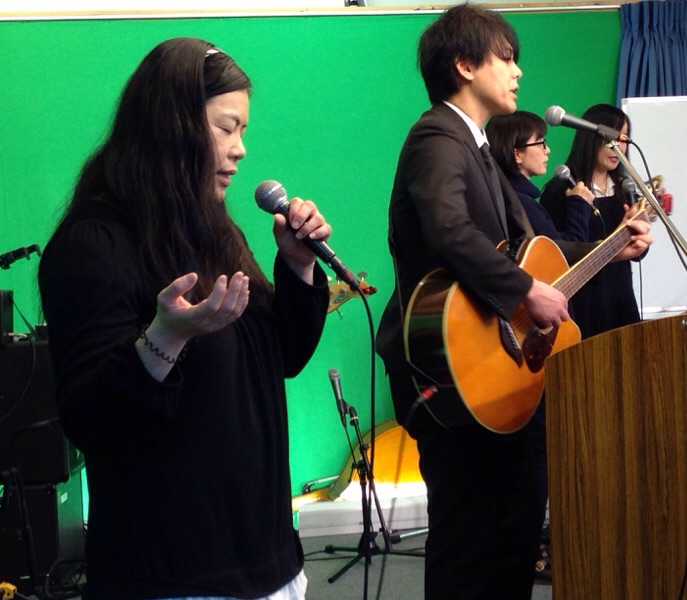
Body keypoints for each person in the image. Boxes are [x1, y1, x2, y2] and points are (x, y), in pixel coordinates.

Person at [375, 5, 652, 599]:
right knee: (469, 541)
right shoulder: (436, 136)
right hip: (453, 368)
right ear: (464, 64)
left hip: (498, 373)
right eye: (506, 58)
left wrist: (612, 247)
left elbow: (534, 250)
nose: (518, 71)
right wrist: (525, 292)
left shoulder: (477, 147)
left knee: (516, 531)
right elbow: (450, 232)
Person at [38, 38, 330, 599]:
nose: (240, 149)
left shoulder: (217, 231)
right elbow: (89, 419)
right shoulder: (92, 244)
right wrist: (165, 338)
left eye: (242, 130)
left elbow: (282, 357)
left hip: (267, 561)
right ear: (171, 124)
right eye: (226, 128)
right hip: (172, 578)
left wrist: (298, 268)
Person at [540, 103, 644, 339]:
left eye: (623, 138)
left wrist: (639, 228)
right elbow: (558, 253)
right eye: (610, 138)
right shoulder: (562, 190)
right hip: (581, 303)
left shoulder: (625, 188)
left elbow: (638, 254)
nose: (618, 147)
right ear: (590, 137)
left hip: (621, 299)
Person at [485, 110, 594, 241]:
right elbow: (564, 249)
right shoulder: (522, 203)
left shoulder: (503, 192)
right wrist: (579, 203)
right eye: (540, 143)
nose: (547, 150)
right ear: (518, 154)